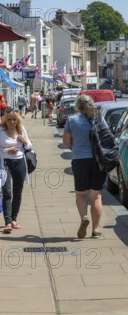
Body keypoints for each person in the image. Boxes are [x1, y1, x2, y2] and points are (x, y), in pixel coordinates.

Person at [63, 94, 107, 239]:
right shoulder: (99, 118)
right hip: (98, 160)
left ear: (77, 106)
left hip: (80, 160)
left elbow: (67, 143)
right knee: (96, 196)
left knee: (81, 194)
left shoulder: (72, 120)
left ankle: (84, 218)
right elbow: (107, 136)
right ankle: (95, 230)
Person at [0, 108, 32, 234]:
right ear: (5, 120)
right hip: (5, 163)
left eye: (14, 119)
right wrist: (7, 151)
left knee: (18, 191)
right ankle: (7, 222)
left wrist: (24, 142)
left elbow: (29, 146)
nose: (12, 122)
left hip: (20, 163)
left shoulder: (21, 130)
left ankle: (14, 219)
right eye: (9, 120)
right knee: (7, 192)